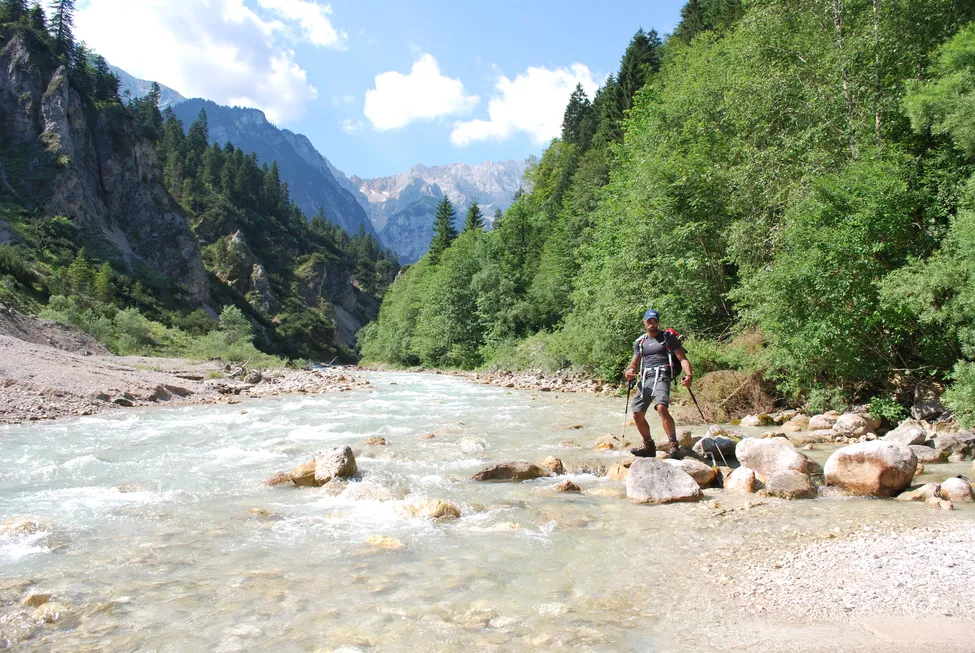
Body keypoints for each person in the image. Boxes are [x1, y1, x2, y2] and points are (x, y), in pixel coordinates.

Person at [623, 309, 692, 457]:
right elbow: (633, 364)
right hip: (646, 378)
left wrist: (689, 374)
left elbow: (682, 358)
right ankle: (649, 446)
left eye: (655, 321)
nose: (652, 324)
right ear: (644, 322)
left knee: (661, 407)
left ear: (658, 322)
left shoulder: (668, 338)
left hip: (662, 375)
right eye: (649, 321)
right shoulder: (640, 342)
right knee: (637, 414)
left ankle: (673, 444)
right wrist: (628, 372)